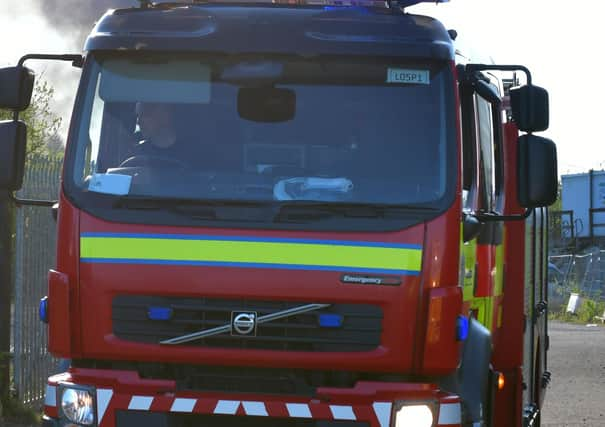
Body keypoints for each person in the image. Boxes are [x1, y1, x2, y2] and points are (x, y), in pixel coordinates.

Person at [120, 102, 189, 169]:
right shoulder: (134, 152)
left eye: (145, 114)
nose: (139, 121)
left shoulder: (191, 153)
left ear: (166, 114)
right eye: (138, 116)